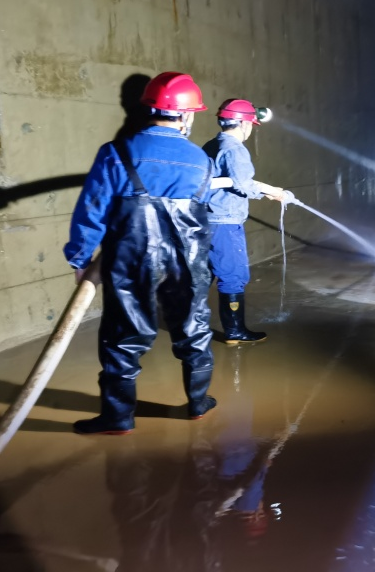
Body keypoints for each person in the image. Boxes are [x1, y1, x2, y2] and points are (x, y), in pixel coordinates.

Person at [64, 72, 218, 435]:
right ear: (186, 115)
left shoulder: (116, 152)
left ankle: (118, 417)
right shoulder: (201, 161)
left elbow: (92, 209)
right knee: (193, 328)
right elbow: (203, 208)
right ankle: (197, 403)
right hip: (189, 258)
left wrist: (80, 258)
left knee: (123, 335)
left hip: (133, 255)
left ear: (147, 107)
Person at [202, 99, 290, 344]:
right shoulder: (235, 149)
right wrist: (270, 191)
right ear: (242, 123)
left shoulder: (211, 145)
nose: (251, 128)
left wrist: (266, 189)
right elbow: (242, 184)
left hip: (207, 219)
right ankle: (235, 332)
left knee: (204, 274)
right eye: (251, 123)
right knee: (233, 275)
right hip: (226, 221)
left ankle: (190, 326)